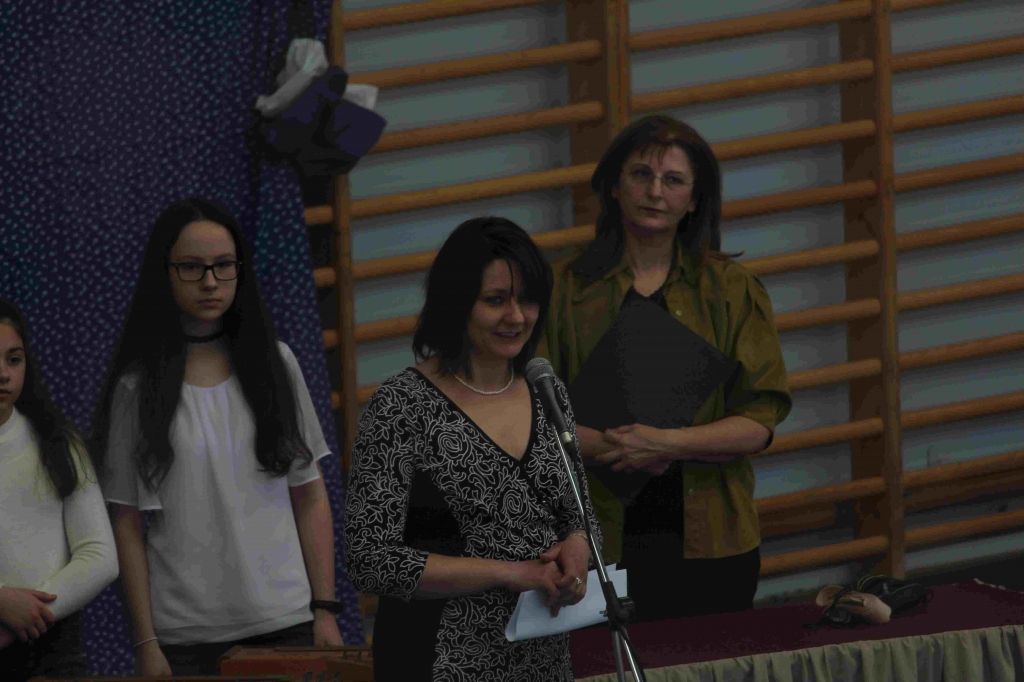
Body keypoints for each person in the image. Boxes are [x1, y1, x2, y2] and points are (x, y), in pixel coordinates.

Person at [538, 115, 792, 622]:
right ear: (615, 186)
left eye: (673, 180)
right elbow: (531, 420)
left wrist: (664, 444)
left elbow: (758, 423)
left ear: (694, 200)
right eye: (641, 175)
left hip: (712, 539)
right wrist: (618, 447)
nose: (655, 192)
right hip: (591, 540)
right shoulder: (562, 287)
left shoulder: (731, 289)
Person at [90, 197, 344, 676]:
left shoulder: (277, 364)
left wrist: (325, 609)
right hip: (185, 637)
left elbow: (310, 493)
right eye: (191, 267)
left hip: (288, 620)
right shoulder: (136, 387)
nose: (210, 282)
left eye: (224, 265)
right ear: (165, 273)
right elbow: (126, 523)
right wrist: (146, 642)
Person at [345, 217, 601, 682]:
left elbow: (580, 517)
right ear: (456, 303)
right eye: (495, 300)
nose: (516, 317)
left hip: (542, 659)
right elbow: (370, 559)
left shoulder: (546, 390)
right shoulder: (401, 405)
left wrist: (579, 547)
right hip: (440, 658)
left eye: (527, 299)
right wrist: (511, 572)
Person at [0, 297, 119, 680]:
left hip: (54, 654)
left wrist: (25, 619)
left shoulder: (57, 443)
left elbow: (100, 555)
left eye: (13, 360)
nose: (3, 374)